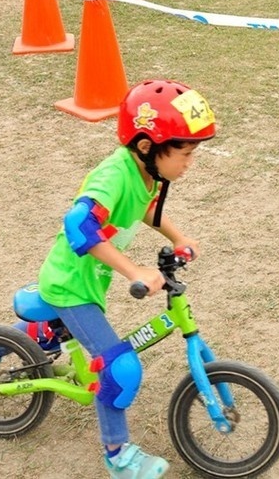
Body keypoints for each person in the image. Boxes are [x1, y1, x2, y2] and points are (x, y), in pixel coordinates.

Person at [31, 79, 215, 479]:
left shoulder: (145, 175)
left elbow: (143, 209)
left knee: (60, 337)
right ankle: (118, 456)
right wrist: (135, 271)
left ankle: (31, 336)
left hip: (88, 283)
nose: (189, 163)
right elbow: (80, 226)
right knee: (119, 367)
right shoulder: (114, 175)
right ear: (147, 147)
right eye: (184, 153)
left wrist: (178, 236)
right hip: (70, 285)